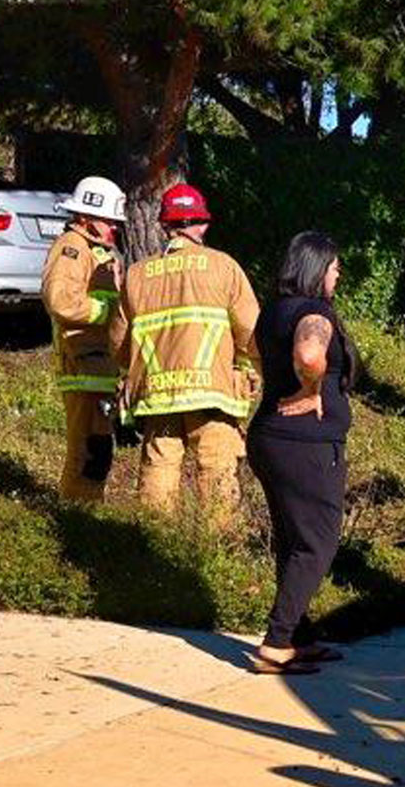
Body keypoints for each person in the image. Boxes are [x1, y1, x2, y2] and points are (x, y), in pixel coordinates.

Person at [110, 182, 261, 524]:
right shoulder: (223, 267)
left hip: (158, 395)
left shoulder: (136, 275)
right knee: (216, 470)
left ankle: (155, 545)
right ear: (202, 223)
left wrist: (133, 371)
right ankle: (219, 554)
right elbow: (251, 332)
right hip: (213, 393)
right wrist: (251, 370)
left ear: (164, 225)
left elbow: (118, 342)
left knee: (157, 472)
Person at [244, 232, 359, 674]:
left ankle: (297, 635)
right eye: (333, 266)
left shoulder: (272, 311)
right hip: (306, 444)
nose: (338, 273)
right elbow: (310, 354)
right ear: (316, 269)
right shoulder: (314, 314)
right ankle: (276, 642)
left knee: (293, 542)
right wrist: (311, 389)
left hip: (270, 436)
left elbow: (260, 358)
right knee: (318, 543)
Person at [41, 175, 127, 502]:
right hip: (81, 364)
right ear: (85, 218)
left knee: (99, 452)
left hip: (99, 366)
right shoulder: (72, 248)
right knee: (87, 453)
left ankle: (88, 515)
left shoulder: (98, 250)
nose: (114, 228)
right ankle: (76, 519)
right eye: (109, 221)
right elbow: (60, 300)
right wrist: (111, 310)